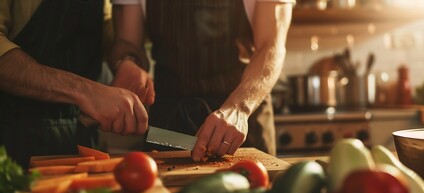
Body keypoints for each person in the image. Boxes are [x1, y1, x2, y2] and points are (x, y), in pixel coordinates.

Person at [109, 0, 294, 161]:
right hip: (167, 124)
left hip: (240, 121)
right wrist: (127, 62)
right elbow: (126, 41)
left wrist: (238, 108)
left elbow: (270, 46)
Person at [0, 0, 155, 169]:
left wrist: (126, 60)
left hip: (81, 144)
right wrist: (86, 92)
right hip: (12, 143)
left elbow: (105, 27)